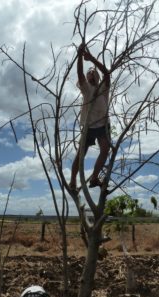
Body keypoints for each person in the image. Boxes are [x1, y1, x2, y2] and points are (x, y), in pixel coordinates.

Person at [69, 43, 111, 191]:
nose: (91, 73)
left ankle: (94, 178)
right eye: (89, 72)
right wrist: (79, 56)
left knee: (105, 150)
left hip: (103, 124)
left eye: (94, 72)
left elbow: (106, 73)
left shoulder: (104, 87)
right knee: (81, 154)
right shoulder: (86, 88)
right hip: (89, 126)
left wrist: (91, 58)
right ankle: (73, 180)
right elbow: (80, 74)